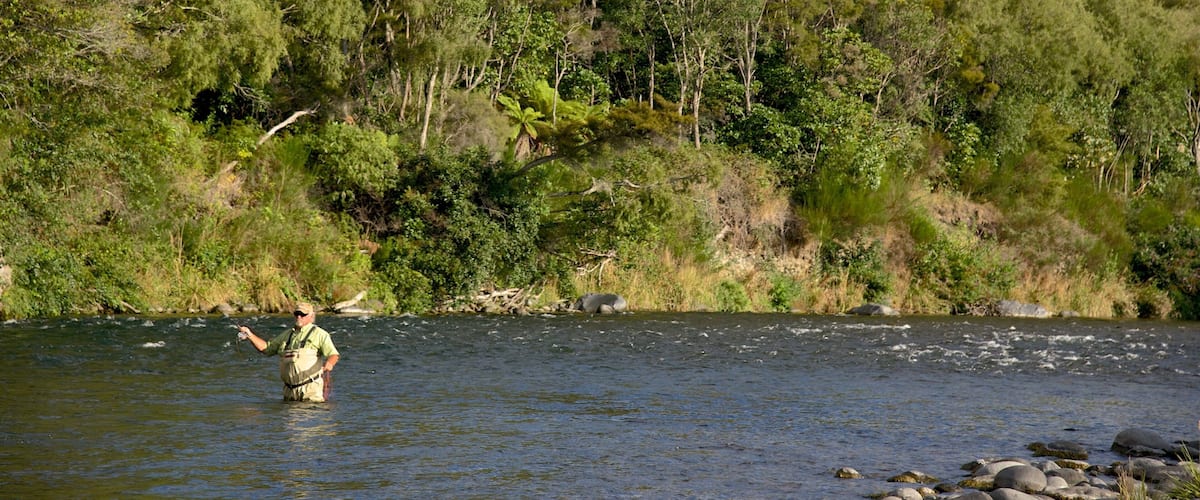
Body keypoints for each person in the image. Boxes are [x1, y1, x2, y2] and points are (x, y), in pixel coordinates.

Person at [238, 302, 339, 402]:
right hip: (289, 392)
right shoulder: (286, 335)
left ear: (311, 316)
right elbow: (266, 349)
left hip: (311, 390)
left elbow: (333, 354)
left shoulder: (320, 334)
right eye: (296, 314)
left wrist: (329, 364)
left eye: (303, 314)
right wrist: (249, 335)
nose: (299, 317)